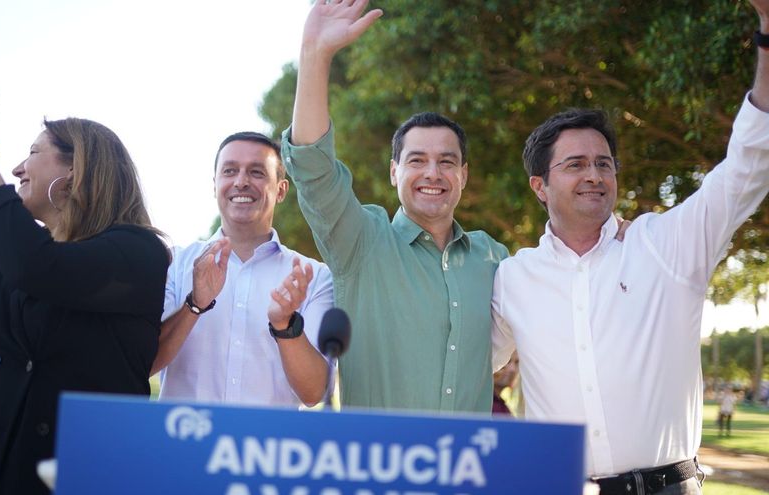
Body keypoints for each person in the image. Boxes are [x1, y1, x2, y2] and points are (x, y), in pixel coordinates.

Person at [492, 1, 769, 491]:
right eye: (575, 164)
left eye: (604, 163)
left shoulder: (666, 245)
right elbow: (459, 360)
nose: (595, 175)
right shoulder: (513, 277)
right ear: (539, 186)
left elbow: (747, 166)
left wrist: (766, 33)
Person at [0, 64, 168, 495]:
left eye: (33, 153)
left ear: (76, 169)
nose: (18, 168)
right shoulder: (10, 257)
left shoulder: (137, 253)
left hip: (74, 477)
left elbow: (39, 270)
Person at [282, 0, 508, 413]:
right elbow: (313, 169)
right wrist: (315, 55)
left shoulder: (494, 257)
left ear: (464, 175)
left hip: (470, 470)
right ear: (393, 172)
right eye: (417, 160)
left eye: (447, 162)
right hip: (379, 469)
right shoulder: (362, 241)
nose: (433, 173)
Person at [152, 132, 333, 407]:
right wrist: (194, 305)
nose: (241, 182)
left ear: (281, 190)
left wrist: (285, 326)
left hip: (266, 447)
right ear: (215, 185)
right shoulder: (173, 264)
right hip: (183, 442)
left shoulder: (313, 277)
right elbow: (145, 362)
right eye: (230, 171)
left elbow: (314, 393)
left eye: (257, 172)